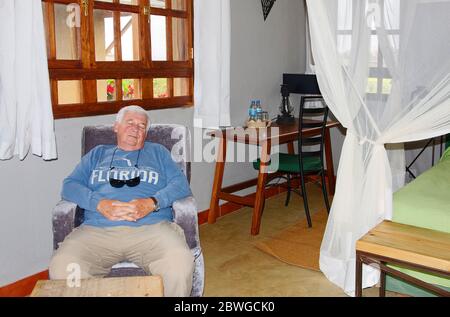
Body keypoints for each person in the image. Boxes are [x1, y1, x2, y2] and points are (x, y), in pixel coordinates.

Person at [49, 105, 194, 297]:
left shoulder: (158, 152)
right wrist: (99, 204)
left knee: (179, 265)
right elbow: (69, 185)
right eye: (130, 122)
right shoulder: (98, 153)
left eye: (142, 126)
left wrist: (152, 202)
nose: (136, 129)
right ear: (116, 126)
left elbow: (180, 184)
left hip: (152, 229)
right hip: (97, 231)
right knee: (63, 268)